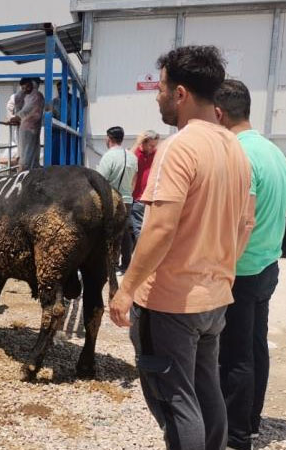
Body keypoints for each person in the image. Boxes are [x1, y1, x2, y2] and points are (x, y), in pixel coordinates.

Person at [109, 45, 253, 450]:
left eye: (161, 88)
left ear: (181, 94)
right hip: (214, 297)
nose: (157, 96)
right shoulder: (235, 149)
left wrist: (126, 288)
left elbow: (160, 229)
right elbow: (245, 225)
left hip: (172, 302)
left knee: (174, 400)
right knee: (206, 390)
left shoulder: (179, 147)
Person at [215, 79, 286, 450]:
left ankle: (237, 435)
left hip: (241, 269)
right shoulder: (274, 152)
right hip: (268, 265)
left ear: (219, 113)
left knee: (235, 355)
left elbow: (246, 218)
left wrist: (224, 265)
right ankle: (253, 421)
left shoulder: (239, 153)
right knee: (256, 346)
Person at [95, 126, 137, 274]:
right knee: (125, 233)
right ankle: (126, 265)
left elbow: (100, 179)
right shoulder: (132, 156)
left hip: (112, 200)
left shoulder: (108, 156)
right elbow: (134, 181)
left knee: (110, 233)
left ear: (109, 138)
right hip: (127, 199)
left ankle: (110, 264)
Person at [7, 77, 44, 171]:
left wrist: (16, 117)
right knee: (27, 150)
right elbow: (13, 106)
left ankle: (26, 170)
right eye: (23, 88)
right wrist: (13, 117)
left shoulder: (36, 96)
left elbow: (27, 110)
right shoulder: (27, 95)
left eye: (26, 87)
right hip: (27, 127)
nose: (25, 90)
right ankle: (29, 169)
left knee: (27, 151)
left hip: (30, 128)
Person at [130, 130, 161, 240]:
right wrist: (137, 143)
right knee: (138, 231)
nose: (153, 148)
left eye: (155, 146)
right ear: (144, 142)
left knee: (149, 230)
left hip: (151, 199)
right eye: (151, 145)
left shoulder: (155, 154)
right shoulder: (135, 154)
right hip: (137, 198)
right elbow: (129, 158)